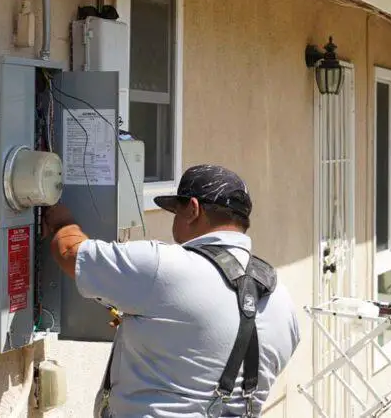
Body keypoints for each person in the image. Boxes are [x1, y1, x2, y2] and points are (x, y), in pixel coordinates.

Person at [42, 164, 301, 418]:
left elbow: (70, 253)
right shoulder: (283, 302)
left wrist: (62, 220)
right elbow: (211, 347)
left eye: (176, 211)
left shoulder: (163, 266)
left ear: (193, 209)